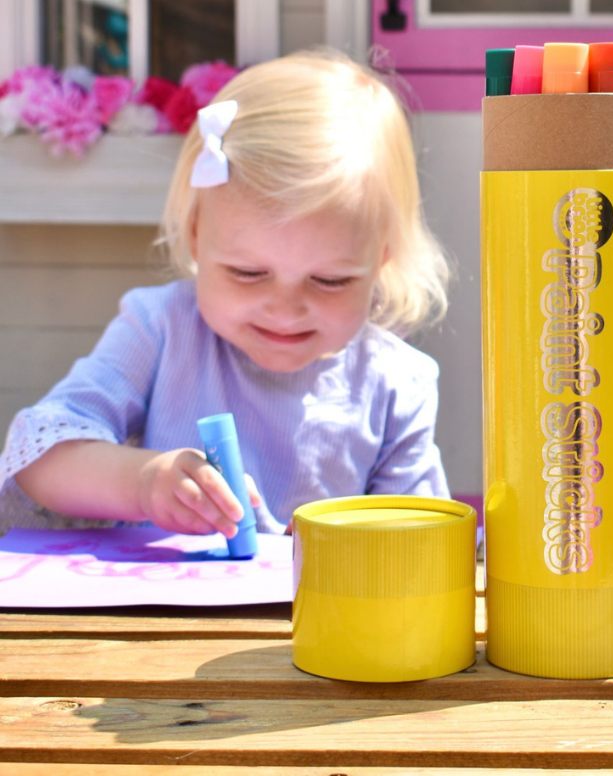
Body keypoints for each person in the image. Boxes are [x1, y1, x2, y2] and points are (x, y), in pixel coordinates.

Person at [0, 51, 452, 537]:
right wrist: (144, 482)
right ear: (197, 236)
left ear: (382, 259)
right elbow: (39, 453)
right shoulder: (161, 329)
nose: (285, 309)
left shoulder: (395, 385)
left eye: (330, 281)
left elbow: (423, 543)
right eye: (248, 272)